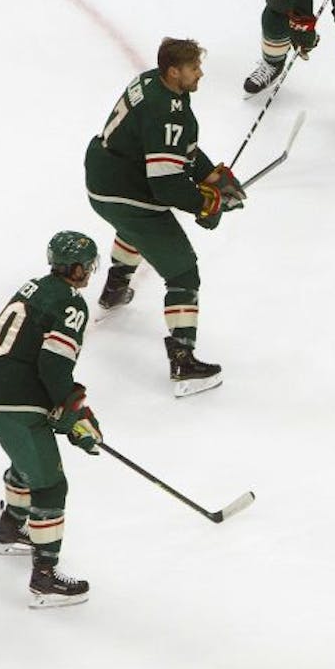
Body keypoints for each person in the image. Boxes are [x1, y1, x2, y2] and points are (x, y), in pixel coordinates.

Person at [85, 37, 245, 398]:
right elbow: (166, 187)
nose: (200, 73)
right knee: (183, 272)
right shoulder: (167, 111)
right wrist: (208, 204)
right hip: (127, 192)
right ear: (174, 72)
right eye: (193, 68)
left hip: (102, 179)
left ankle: (115, 286)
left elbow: (176, 146)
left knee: (136, 228)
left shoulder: (151, 82)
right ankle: (183, 360)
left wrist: (209, 176)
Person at [0, 231, 104, 608]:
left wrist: (65, 411)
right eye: (88, 266)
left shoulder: (33, 287)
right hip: (18, 402)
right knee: (50, 486)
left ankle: (12, 526)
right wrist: (72, 408)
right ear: (78, 268)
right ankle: (45, 578)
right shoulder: (71, 304)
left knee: (27, 460)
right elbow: (54, 365)